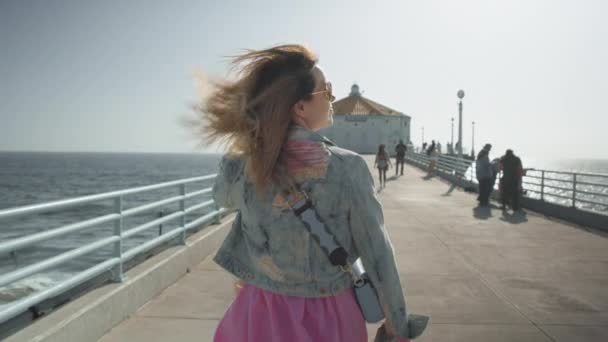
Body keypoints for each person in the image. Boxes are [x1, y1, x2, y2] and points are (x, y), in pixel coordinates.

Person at [198, 44, 427, 342]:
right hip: (328, 316)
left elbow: (222, 198)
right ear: (300, 106)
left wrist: (248, 139)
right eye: (326, 91)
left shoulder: (244, 162)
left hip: (257, 312)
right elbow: (378, 253)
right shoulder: (348, 167)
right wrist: (397, 325)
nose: (332, 98)